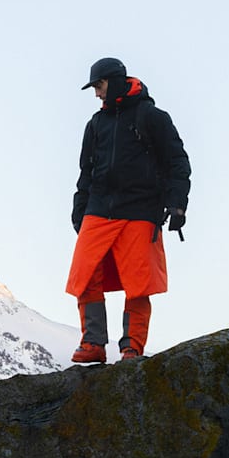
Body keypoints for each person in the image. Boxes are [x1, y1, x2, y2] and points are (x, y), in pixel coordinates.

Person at [67, 57, 191, 363]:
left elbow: (178, 162)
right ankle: (93, 343)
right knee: (84, 273)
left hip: (141, 210)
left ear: (117, 82)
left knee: (139, 282)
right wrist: (80, 207)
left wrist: (177, 205)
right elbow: (86, 171)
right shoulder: (95, 125)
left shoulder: (152, 117)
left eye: (99, 85)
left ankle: (131, 348)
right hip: (98, 210)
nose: (96, 93)